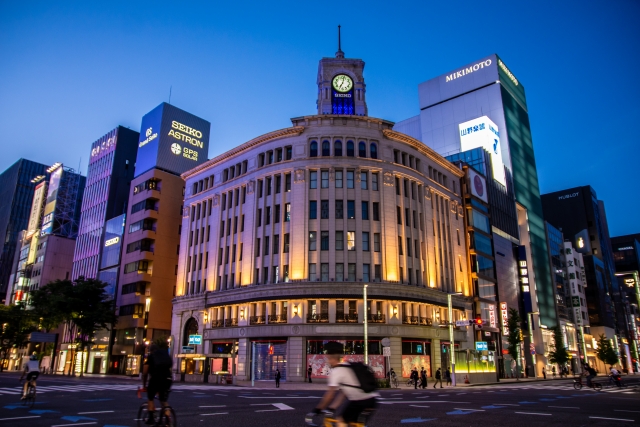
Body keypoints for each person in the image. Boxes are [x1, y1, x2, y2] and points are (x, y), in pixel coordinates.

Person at [313, 342, 378, 427]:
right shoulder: (347, 365)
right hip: (372, 400)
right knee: (355, 423)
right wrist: (332, 408)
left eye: (328, 359)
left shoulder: (336, 372)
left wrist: (318, 409)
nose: (327, 361)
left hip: (359, 401)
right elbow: (343, 393)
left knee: (341, 421)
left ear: (332, 359)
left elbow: (330, 395)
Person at [141, 338, 173, 425]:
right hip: (168, 378)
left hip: (156, 379)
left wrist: (144, 385)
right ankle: (167, 419)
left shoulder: (151, 356)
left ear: (150, 351)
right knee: (163, 399)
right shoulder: (164, 355)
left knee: (150, 397)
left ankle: (151, 418)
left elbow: (145, 373)